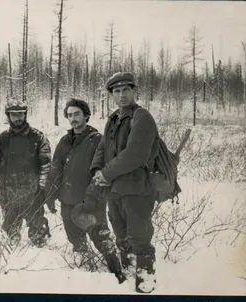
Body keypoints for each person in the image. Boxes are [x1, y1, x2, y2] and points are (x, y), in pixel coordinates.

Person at [90, 72, 159, 293]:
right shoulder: (113, 119)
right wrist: (97, 170)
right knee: (121, 238)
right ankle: (128, 284)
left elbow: (136, 154)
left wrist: (106, 174)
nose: (121, 95)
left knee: (139, 240)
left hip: (137, 190)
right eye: (116, 91)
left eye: (125, 90)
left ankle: (145, 287)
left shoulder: (142, 117)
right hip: (115, 191)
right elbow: (102, 147)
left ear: (134, 91)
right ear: (111, 95)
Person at [45, 98, 126, 283]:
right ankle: (86, 274)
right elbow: (56, 169)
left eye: (77, 114)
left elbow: (102, 172)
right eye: (70, 115)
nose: (73, 118)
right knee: (76, 240)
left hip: (90, 202)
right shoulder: (65, 141)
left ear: (86, 115)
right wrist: (50, 196)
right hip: (67, 201)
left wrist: (93, 198)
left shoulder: (98, 140)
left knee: (102, 239)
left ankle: (119, 276)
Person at [0, 98, 52, 247]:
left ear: (25, 115)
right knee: (12, 237)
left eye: (21, 114)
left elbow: (46, 165)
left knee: (38, 238)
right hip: (8, 197)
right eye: (13, 114)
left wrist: (43, 189)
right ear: (8, 116)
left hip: (33, 196)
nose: (17, 117)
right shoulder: (1, 139)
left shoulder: (38, 137)